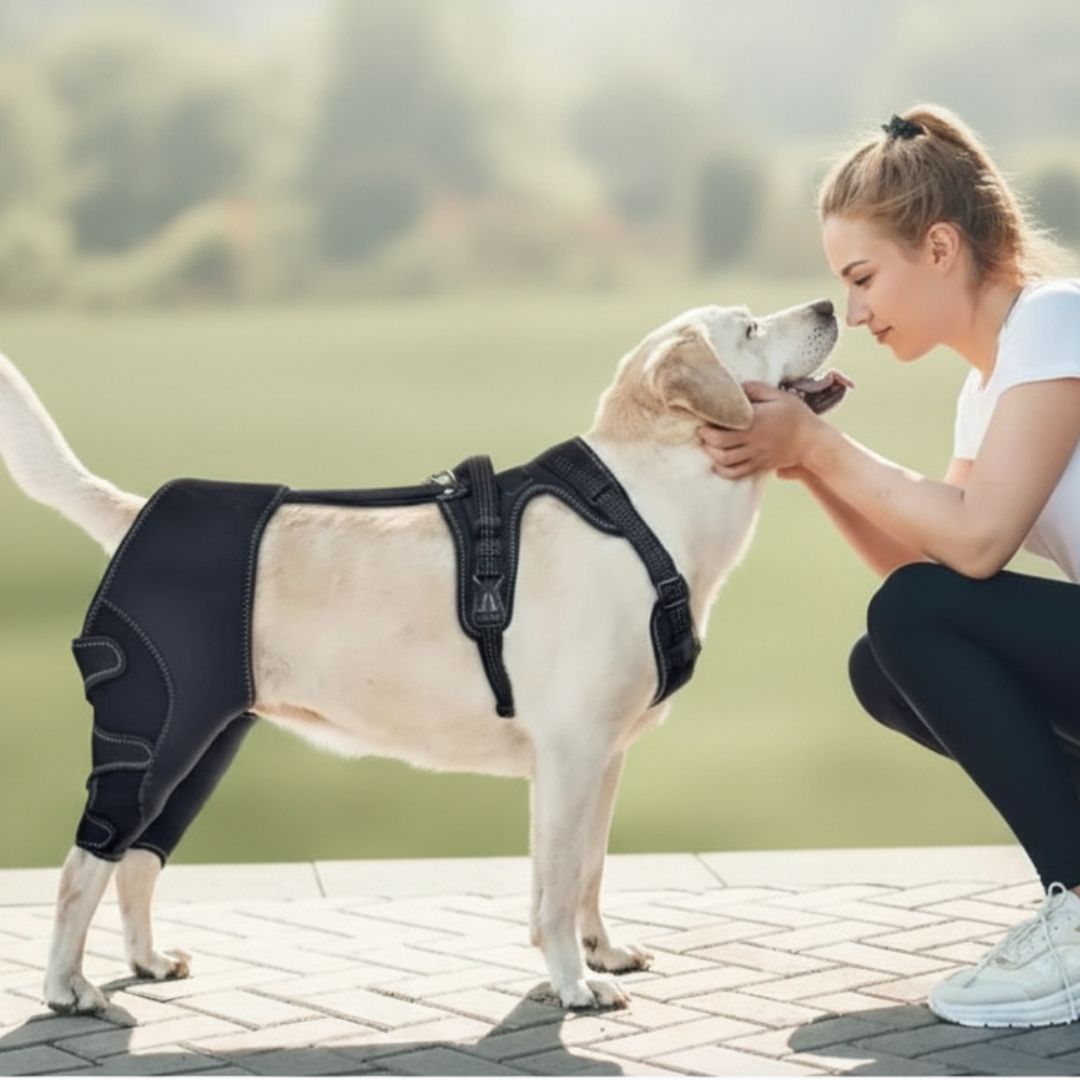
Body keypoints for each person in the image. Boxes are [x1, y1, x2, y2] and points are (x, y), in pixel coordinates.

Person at [697, 104, 1080, 1029]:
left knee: (911, 621)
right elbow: (931, 565)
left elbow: (978, 542)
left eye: (863, 277)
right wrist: (806, 462)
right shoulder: (989, 387)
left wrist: (823, 447)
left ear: (941, 247)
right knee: (888, 666)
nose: (856, 309)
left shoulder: (1059, 323)